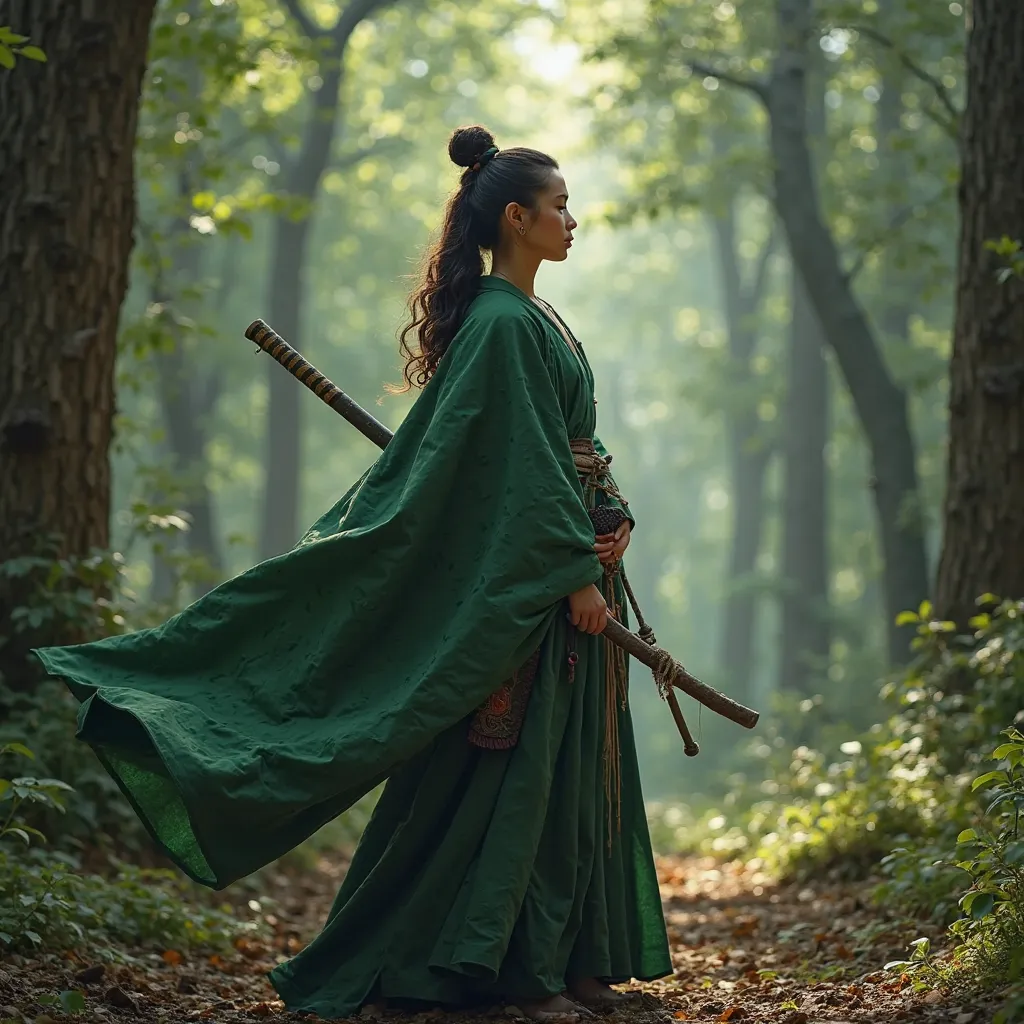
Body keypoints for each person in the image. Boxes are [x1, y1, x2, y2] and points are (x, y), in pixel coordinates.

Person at [34, 124, 672, 1022]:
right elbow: (515, 467)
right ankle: (485, 971)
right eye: (561, 206)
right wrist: (572, 571)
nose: (575, 219)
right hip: (528, 591)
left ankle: (570, 965)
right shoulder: (496, 324)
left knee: (567, 771)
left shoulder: (536, 317)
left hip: (567, 568)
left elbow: (572, 445)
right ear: (518, 219)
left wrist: (614, 523)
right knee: (504, 777)